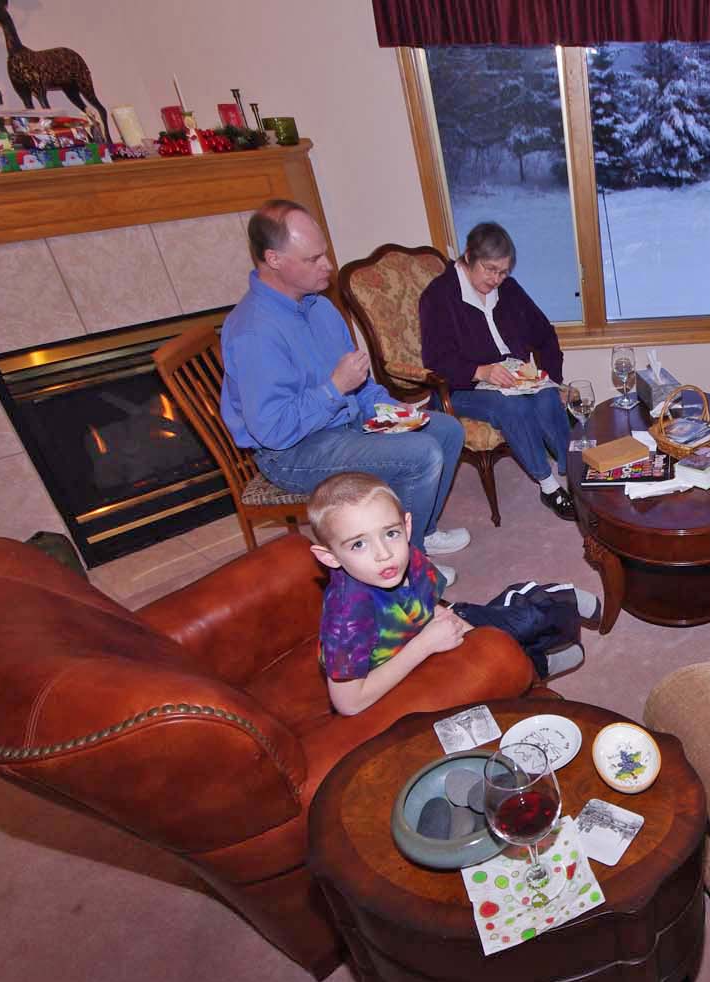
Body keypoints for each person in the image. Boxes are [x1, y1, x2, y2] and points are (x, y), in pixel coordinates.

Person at [221, 199, 470, 580]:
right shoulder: (254, 331)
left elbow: (359, 383)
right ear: (274, 259)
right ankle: (410, 570)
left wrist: (394, 411)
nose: (328, 266)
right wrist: (334, 389)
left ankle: (421, 533)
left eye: (325, 254)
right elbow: (272, 429)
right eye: (313, 259)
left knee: (446, 430)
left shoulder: (319, 308)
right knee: (420, 454)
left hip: (344, 422)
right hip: (292, 450)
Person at [309, 474, 598, 715]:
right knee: (518, 624)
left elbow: (430, 603)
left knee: (510, 627)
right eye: (358, 544)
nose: (384, 553)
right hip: (406, 670)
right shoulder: (347, 618)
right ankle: (547, 645)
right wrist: (424, 645)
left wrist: (469, 633)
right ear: (329, 557)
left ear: (406, 526)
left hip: (429, 629)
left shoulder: (405, 556)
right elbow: (348, 704)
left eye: (390, 533)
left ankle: (552, 621)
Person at [419, 221, 576, 522]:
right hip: (461, 387)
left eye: (503, 272)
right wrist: (480, 371)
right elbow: (436, 360)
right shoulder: (438, 296)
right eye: (490, 269)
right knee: (513, 406)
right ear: (469, 256)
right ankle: (548, 486)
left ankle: (576, 471)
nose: (496, 279)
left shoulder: (509, 289)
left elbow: (545, 333)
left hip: (513, 379)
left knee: (546, 397)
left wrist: (552, 380)